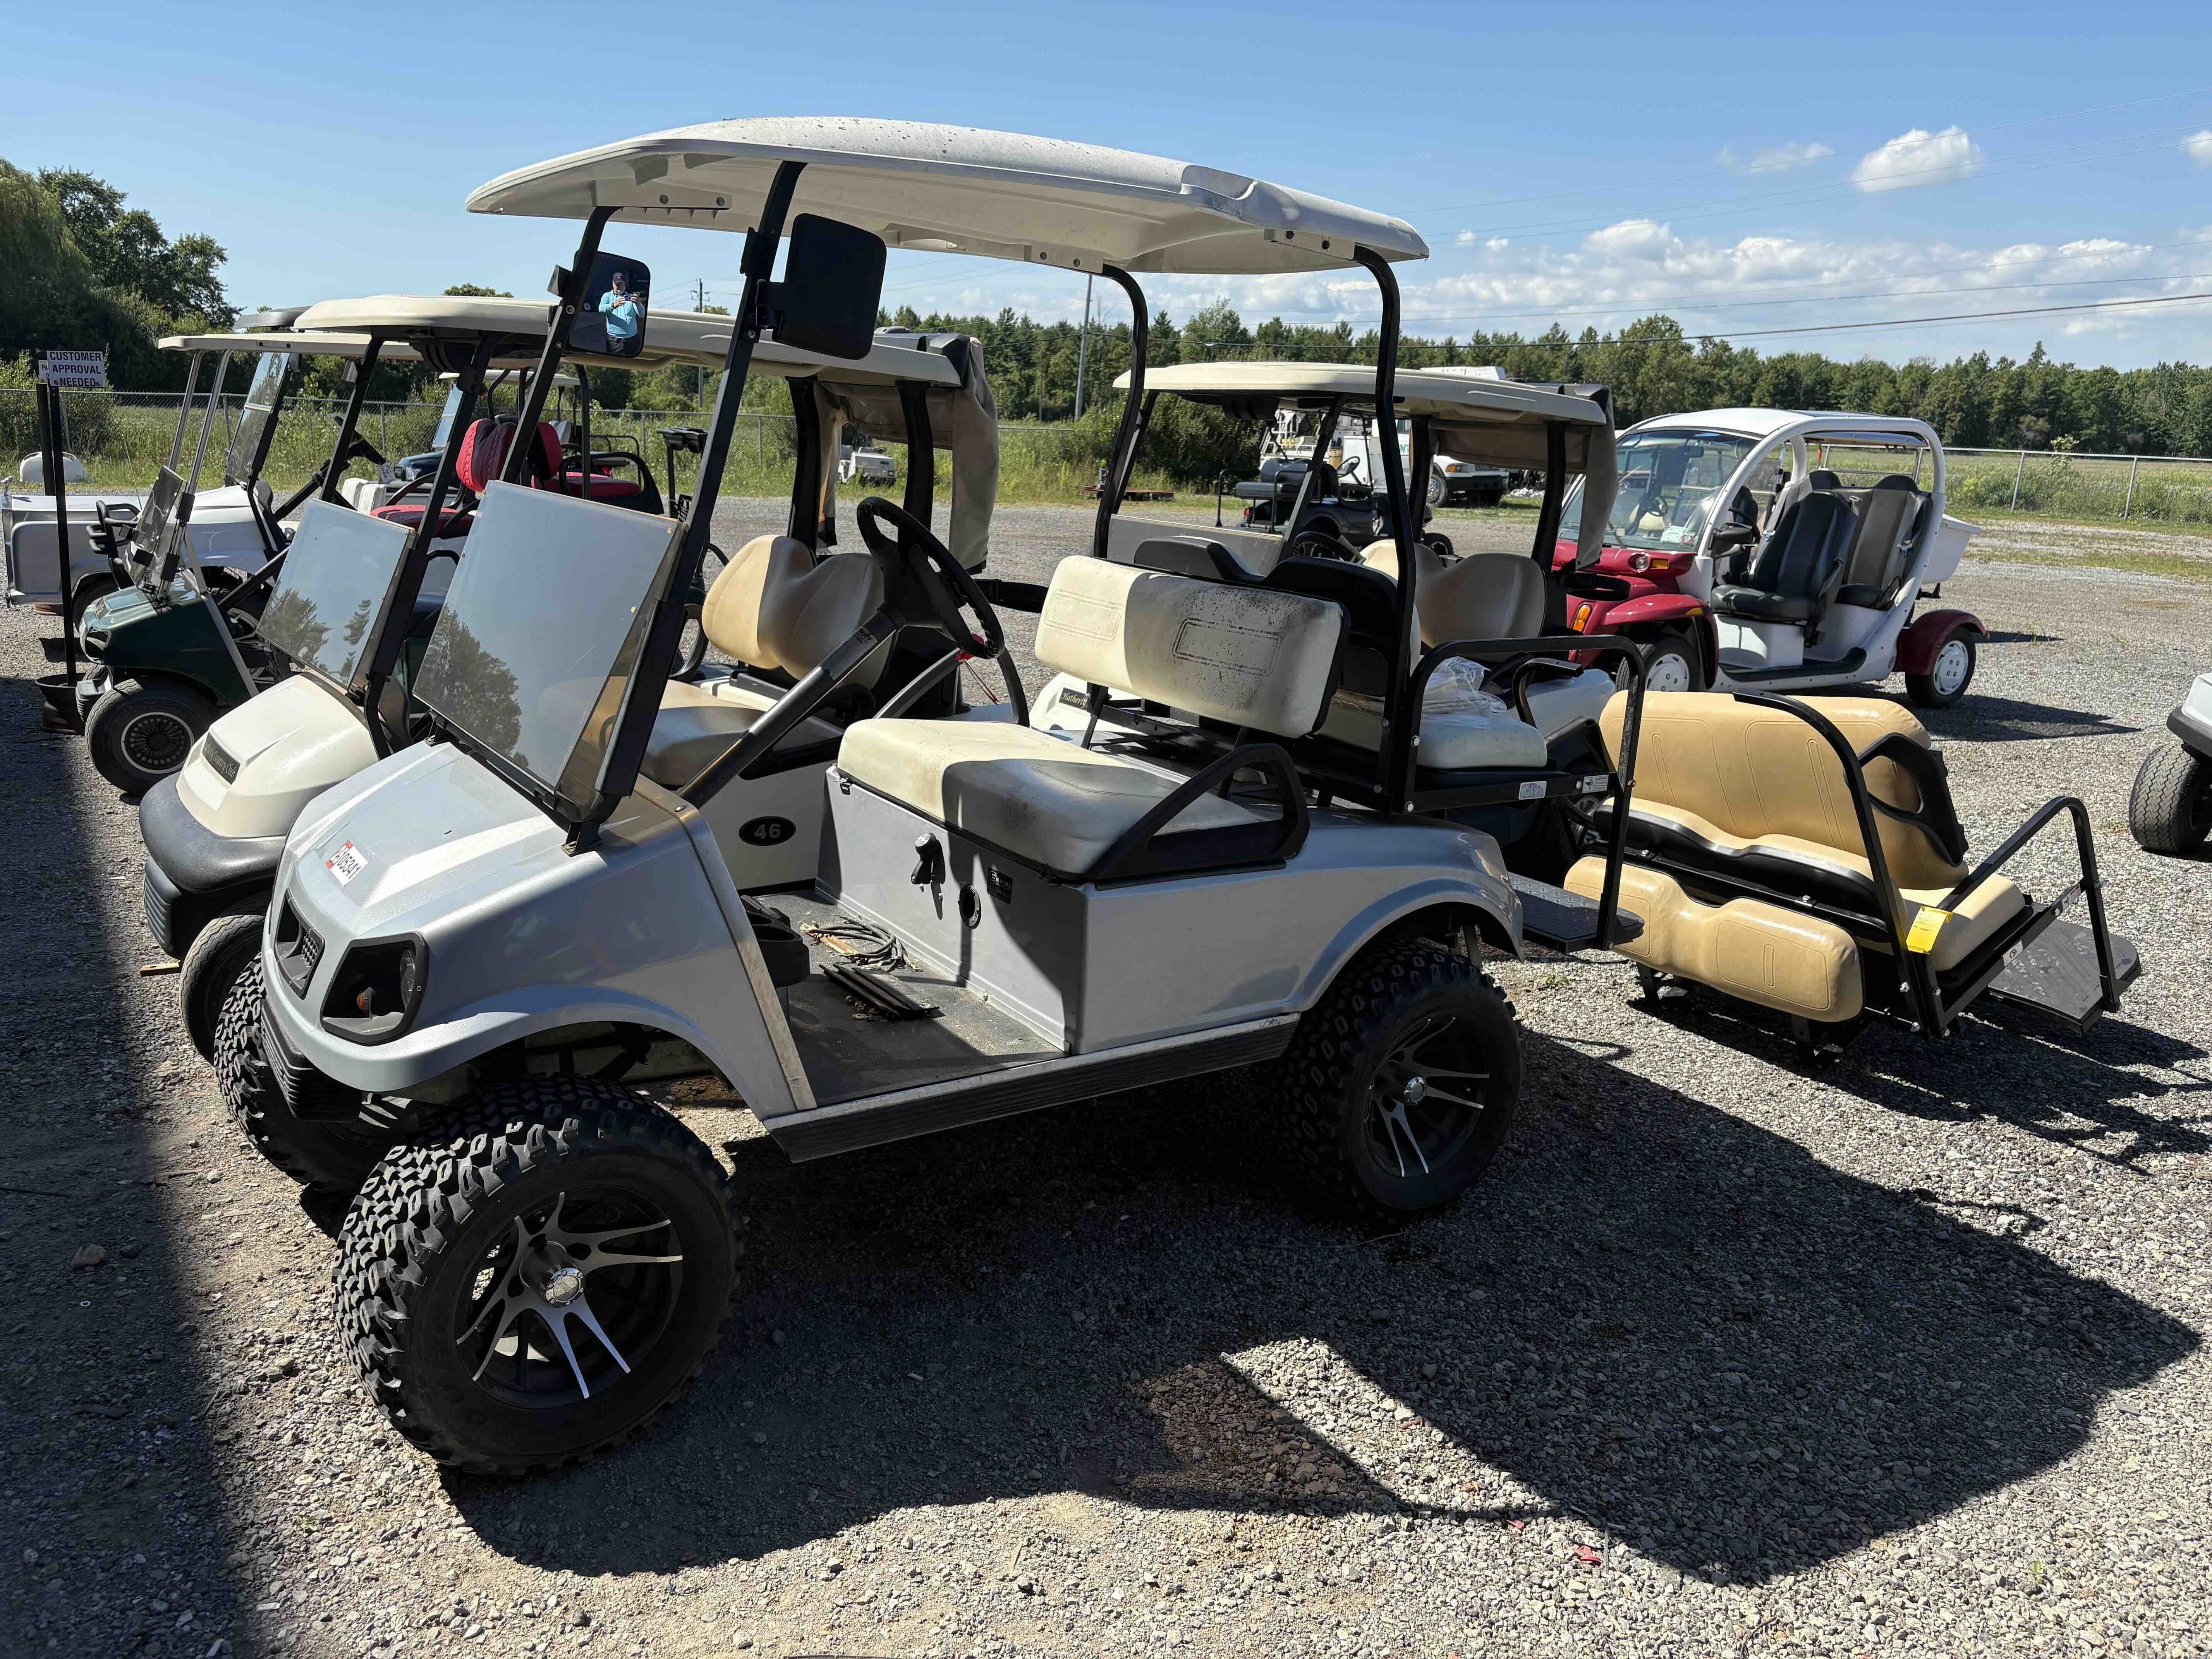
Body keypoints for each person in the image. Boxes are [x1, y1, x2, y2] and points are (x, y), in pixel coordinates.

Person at [598, 271, 643, 347]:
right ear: (613, 284)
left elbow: (642, 315)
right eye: (617, 284)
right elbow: (601, 309)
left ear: (625, 285)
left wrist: (638, 304)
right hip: (614, 340)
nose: (620, 286)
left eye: (622, 284)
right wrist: (614, 305)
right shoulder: (607, 296)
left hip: (632, 339)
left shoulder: (632, 297)